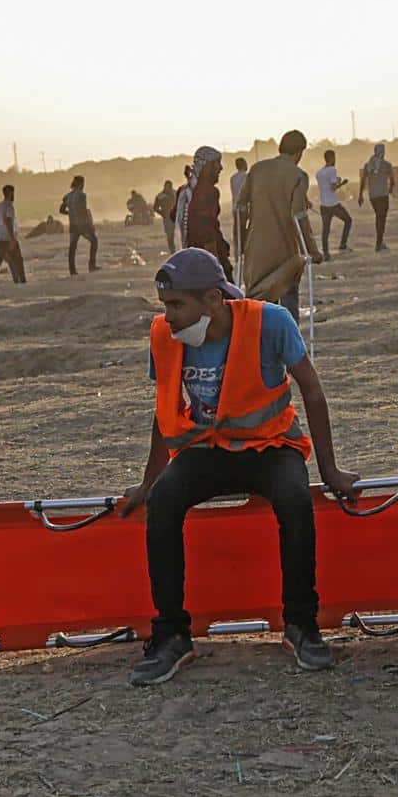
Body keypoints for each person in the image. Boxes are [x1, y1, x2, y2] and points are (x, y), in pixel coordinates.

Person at [117, 248, 360, 686]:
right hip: (207, 450)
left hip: (271, 447)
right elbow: (165, 410)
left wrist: (331, 470)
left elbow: (313, 390)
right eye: (165, 306)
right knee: (164, 502)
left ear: (212, 301)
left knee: (294, 498)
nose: (168, 317)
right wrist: (147, 482)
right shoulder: (165, 337)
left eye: (176, 305)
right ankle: (172, 635)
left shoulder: (270, 322)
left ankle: (302, 627)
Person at [241, 131, 324, 320]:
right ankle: (289, 344)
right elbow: (299, 215)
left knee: (262, 304)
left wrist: (241, 244)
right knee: (288, 300)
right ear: (300, 151)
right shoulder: (298, 175)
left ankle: (264, 343)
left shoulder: (257, 170)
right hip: (285, 251)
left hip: (256, 250)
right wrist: (312, 250)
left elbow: (240, 207)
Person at [182, 147, 233, 279]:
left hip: (192, 256)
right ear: (208, 166)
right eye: (217, 163)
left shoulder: (186, 191)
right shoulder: (209, 191)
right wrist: (215, 264)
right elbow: (207, 230)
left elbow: (175, 215)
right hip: (208, 258)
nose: (221, 168)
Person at [0, 183, 25, 286]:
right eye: (13, 193)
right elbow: (7, 220)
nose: (14, 195)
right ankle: (21, 281)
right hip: (7, 238)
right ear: (10, 193)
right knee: (18, 260)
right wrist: (12, 238)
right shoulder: (9, 206)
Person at [314, 150, 352, 253]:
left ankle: (326, 253)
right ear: (332, 158)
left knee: (325, 230)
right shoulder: (332, 170)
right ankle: (343, 244)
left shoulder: (319, 173)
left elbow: (326, 185)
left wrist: (337, 181)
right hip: (333, 204)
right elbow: (333, 187)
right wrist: (342, 183)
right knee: (348, 220)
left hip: (323, 204)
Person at [60, 175, 98, 275]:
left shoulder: (67, 196)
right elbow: (83, 210)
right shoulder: (82, 195)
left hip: (73, 225)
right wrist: (90, 224)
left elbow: (61, 210)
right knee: (94, 242)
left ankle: (72, 270)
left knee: (72, 247)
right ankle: (92, 266)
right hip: (82, 224)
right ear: (81, 183)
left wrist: (71, 212)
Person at [358, 143, 394, 251]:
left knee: (379, 217)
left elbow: (363, 181)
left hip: (373, 196)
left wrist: (360, 195)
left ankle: (380, 242)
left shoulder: (368, 165)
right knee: (381, 218)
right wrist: (390, 190)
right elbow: (392, 180)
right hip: (383, 195)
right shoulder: (387, 165)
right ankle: (379, 243)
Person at [229, 157, 251, 259]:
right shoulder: (246, 177)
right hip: (244, 208)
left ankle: (238, 252)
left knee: (237, 230)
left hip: (235, 208)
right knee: (244, 230)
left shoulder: (233, 178)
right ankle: (244, 251)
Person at [153, 179, 178, 254]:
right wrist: (162, 214)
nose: (169, 188)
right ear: (165, 187)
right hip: (167, 218)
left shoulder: (176, 193)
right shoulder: (160, 196)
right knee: (170, 235)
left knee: (177, 234)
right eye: (168, 187)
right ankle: (172, 250)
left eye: (170, 187)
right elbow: (155, 207)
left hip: (176, 217)